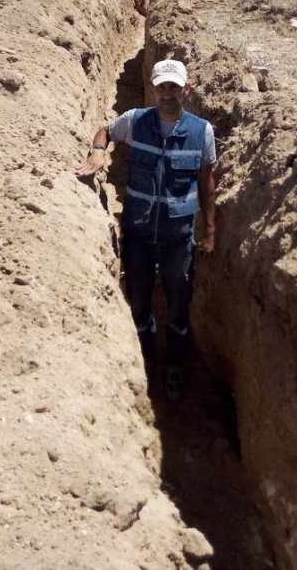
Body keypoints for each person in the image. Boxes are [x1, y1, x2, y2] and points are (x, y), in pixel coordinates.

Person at [76, 59, 216, 399]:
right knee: (138, 303)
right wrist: (98, 151)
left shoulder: (202, 131)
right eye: (161, 86)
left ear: (186, 89)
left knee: (178, 307)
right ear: (152, 89)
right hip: (138, 234)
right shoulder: (136, 121)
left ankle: (176, 364)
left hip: (177, 239)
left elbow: (206, 178)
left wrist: (210, 229)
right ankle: (145, 359)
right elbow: (105, 131)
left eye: (174, 87)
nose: (167, 93)